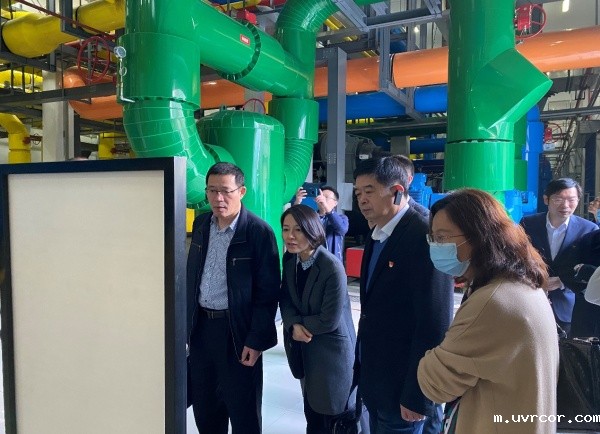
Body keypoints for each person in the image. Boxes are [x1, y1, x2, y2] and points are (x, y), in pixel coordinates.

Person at [418, 188, 558, 434]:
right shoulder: (521, 284)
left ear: (478, 236)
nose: (436, 247)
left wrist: (430, 358)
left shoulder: (492, 302)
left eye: (442, 238)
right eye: (433, 238)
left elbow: (435, 384)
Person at [353, 156, 453, 434]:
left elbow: (435, 324)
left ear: (397, 191)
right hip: (377, 380)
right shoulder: (378, 232)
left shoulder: (423, 236)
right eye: (358, 193)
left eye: (370, 191)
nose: (362, 200)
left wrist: (418, 395)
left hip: (404, 390)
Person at [186, 162, 281, 434]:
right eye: (212, 190)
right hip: (202, 328)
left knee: (243, 411)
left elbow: (268, 292)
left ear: (241, 191)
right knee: (205, 407)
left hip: (237, 332)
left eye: (226, 191)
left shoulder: (258, 232)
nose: (218, 198)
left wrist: (256, 339)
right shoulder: (202, 224)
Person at [279, 204, 356, 434]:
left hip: (331, 355)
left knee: (331, 419)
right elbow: (286, 298)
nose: (290, 236)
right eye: (286, 229)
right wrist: (293, 324)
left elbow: (328, 319)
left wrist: (298, 326)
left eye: (298, 230)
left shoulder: (331, 267)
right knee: (312, 414)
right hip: (305, 351)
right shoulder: (291, 261)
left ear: (312, 231)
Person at [393, 154, 441, 434]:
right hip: (394, 364)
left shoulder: (423, 223)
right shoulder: (382, 225)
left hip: (419, 363)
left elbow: (434, 320)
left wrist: (419, 396)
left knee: (428, 419)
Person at [520, 178, 597, 337]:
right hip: (531, 300)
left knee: (565, 350)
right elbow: (518, 259)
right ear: (546, 199)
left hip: (568, 307)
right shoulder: (528, 223)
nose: (565, 205)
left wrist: (562, 282)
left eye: (571, 200)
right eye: (558, 199)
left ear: (578, 200)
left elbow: (592, 274)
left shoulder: (589, 230)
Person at [294, 185, 349, 262]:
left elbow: (342, 229)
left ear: (335, 203)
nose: (322, 199)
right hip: (311, 262)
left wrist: (326, 206)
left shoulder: (342, 218)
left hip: (332, 263)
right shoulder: (310, 217)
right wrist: (297, 202)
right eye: (321, 196)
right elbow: (294, 223)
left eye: (326, 197)